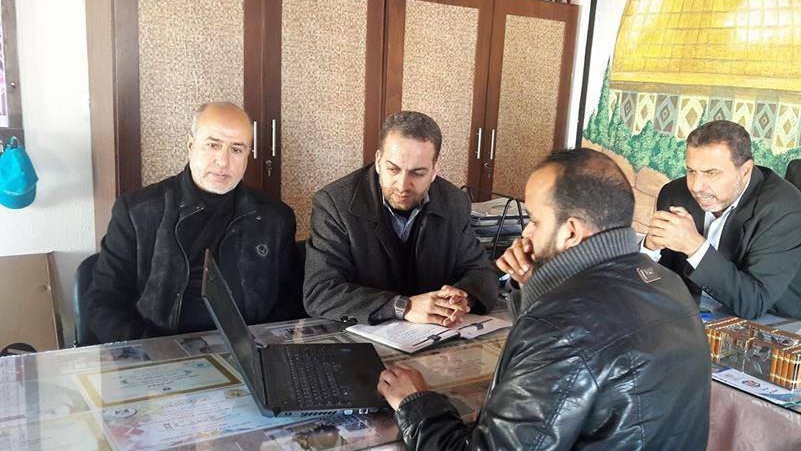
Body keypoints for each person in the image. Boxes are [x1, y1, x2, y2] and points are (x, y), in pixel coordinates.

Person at [378, 148, 714, 451]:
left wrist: (417, 406)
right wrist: (539, 287)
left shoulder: (561, 326)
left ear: (570, 231)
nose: (525, 234)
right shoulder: (668, 284)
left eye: (535, 221)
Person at [84, 102, 303, 344]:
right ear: (191, 145)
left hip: (248, 350)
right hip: (160, 350)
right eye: (213, 145)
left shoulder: (276, 219)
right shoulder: (138, 212)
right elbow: (104, 301)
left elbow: (289, 302)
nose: (223, 161)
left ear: (247, 155)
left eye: (236, 149)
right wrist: (154, 351)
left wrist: (260, 347)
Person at [303, 111, 498, 326]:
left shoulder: (454, 202)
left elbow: (482, 273)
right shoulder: (334, 203)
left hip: (434, 335)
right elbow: (320, 292)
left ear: (434, 170)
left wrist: (459, 300)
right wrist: (403, 306)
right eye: (393, 169)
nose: (403, 185)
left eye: (418, 173)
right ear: (378, 161)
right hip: (363, 336)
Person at [642, 120, 801, 321]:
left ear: (745, 171)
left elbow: (753, 302)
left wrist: (694, 247)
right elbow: (658, 280)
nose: (696, 186)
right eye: (691, 171)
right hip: (693, 321)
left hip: (773, 327)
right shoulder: (675, 194)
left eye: (711, 173)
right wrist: (649, 250)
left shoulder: (784, 210)